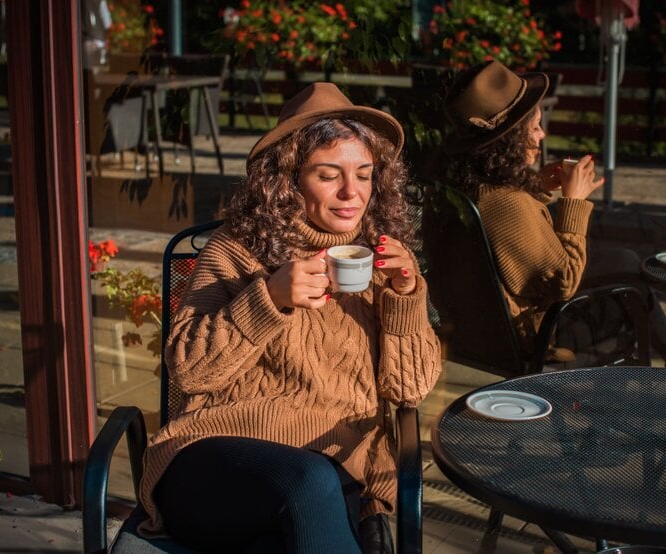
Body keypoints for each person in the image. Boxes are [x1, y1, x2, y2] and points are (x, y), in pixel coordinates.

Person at [138, 82, 443, 553]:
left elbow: (410, 391)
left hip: (335, 468)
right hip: (217, 462)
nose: (352, 192)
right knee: (307, 481)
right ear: (287, 179)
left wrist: (405, 298)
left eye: (364, 174)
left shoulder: (381, 261)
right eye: (328, 175)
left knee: (302, 513)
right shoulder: (235, 250)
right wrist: (269, 300)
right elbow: (190, 371)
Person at [438, 60, 666, 364]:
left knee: (624, 260)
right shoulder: (506, 204)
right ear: (510, 140)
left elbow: (516, 243)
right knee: (634, 290)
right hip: (539, 335)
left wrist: (535, 186)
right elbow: (564, 281)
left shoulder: (475, 188)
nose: (542, 135)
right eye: (534, 127)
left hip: (483, 331)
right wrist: (573, 202)